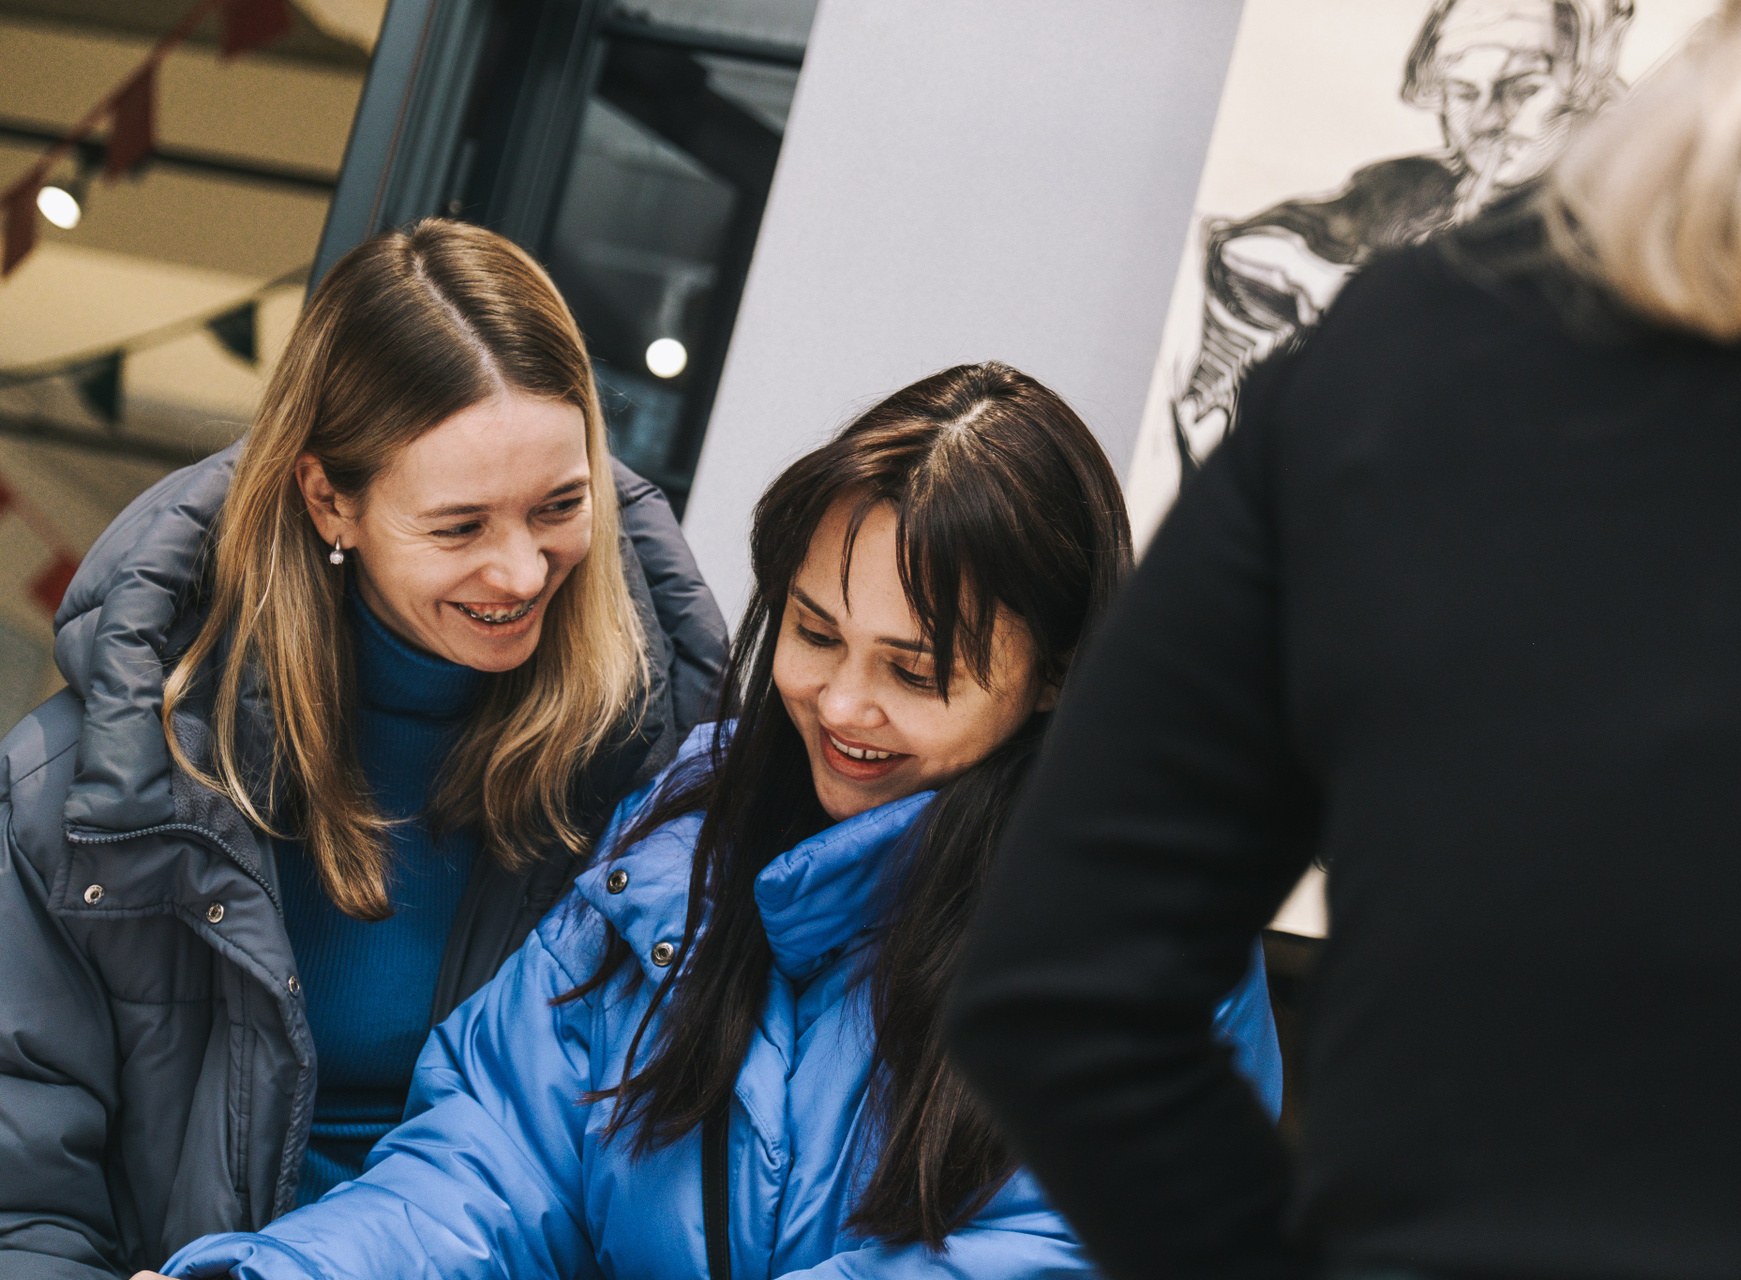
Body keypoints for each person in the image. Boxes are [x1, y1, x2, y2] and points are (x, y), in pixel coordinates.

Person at [947, 1, 1741, 1278]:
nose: (1488, 114)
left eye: (1519, 79)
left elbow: (1061, 979)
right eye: (1465, 81)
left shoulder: (1415, 337)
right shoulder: (1358, 284)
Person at [148, 362, 1284, 1280]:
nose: (842, 705)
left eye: (915, 670)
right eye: (814, 631)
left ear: (1057, 673)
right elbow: (497, 1156)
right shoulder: (686, 827)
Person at [0, 219, 726, 1279]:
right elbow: (19, 1199)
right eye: (461, 526)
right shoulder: (89, 786)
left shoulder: (657, 776)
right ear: (329, 499)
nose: (522, 571)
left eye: (560, 507)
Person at [1170, 0, 1633, 475]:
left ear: (1588, 87)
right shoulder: (1407, 189)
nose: (1486, 120)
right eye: (1463, 93)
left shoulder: (1627, 236)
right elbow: (1253, 248)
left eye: (1522, 89)